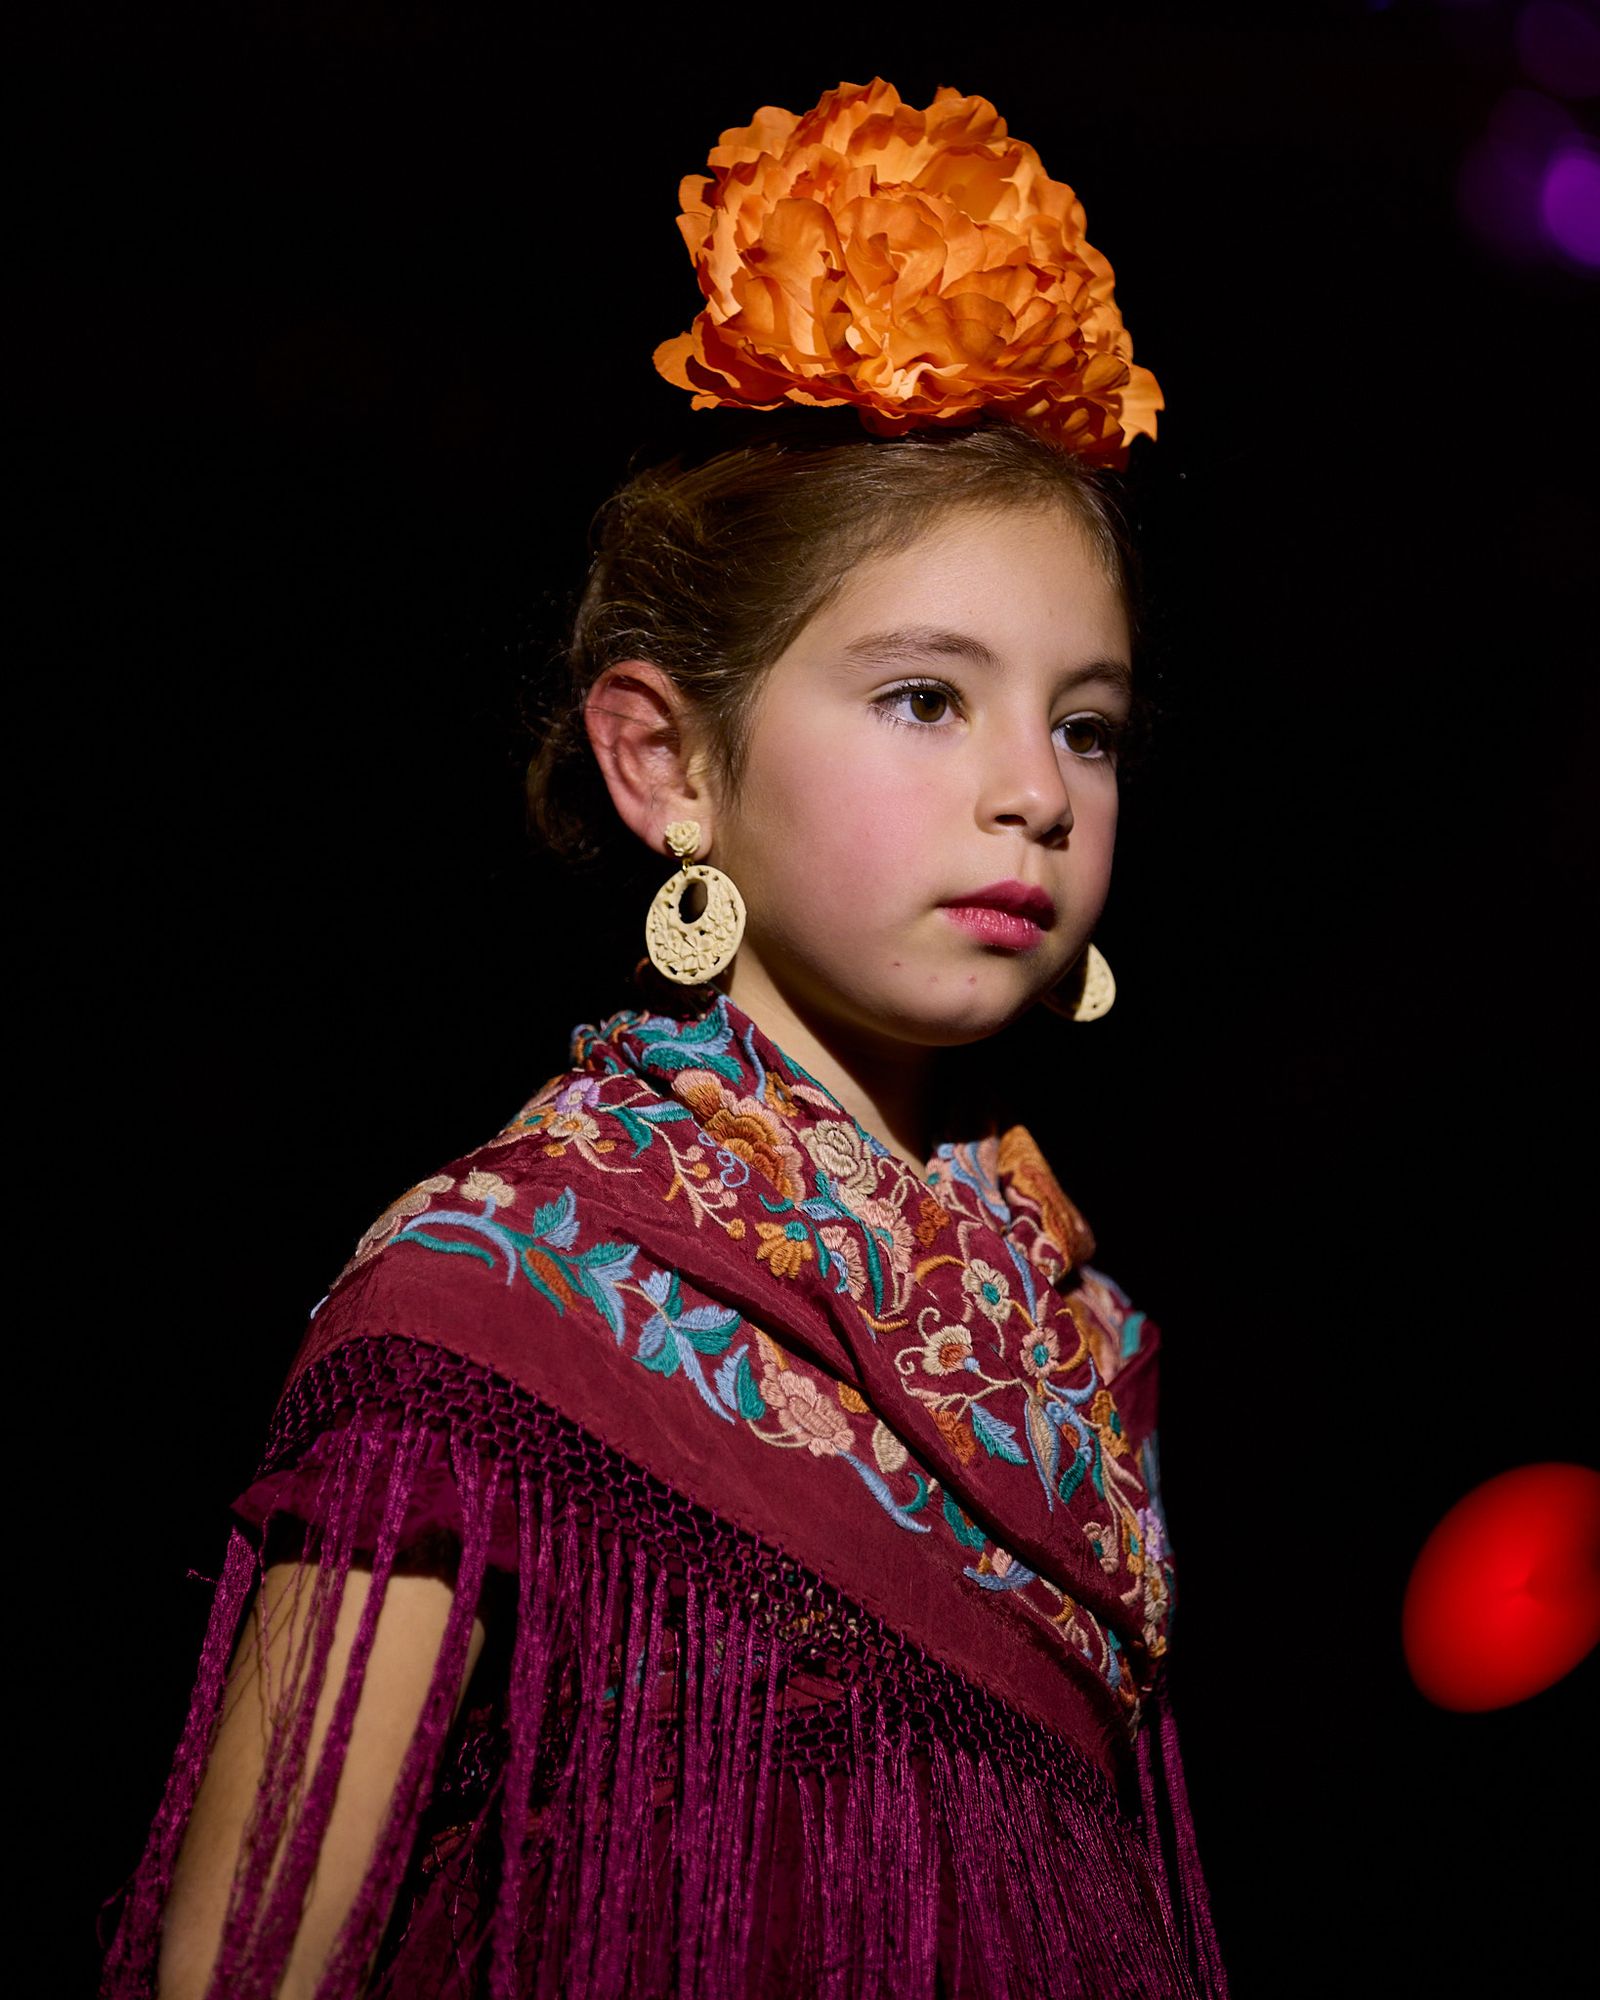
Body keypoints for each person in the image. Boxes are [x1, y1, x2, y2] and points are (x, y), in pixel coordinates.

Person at [102, 77, 1231, 2000]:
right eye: (921, 699)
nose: (1033, 793)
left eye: (1087, 724)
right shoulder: (494, 1314)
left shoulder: (1060, 1360)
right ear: (668, 761)